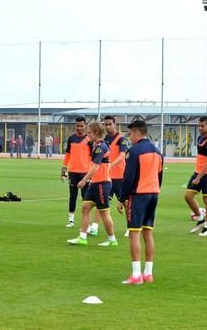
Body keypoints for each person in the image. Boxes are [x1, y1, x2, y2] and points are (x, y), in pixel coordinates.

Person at [117, 120, 163, 285]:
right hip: (153, 194)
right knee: (148, 233)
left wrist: (122, 198)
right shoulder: (157, 152)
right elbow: (159, 176)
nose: (130, 136)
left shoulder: (134, 151)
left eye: (130, 133)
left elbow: (128, 178)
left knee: (134, 232)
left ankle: (136, 275)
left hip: (139, 195)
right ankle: (148, 273)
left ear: (137, 132)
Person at [67, 122, 118, 247]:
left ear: (96, 132)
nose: (87, 135)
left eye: (89, 133)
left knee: (104, 212)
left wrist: (84, 180)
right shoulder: (97, 145)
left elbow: (95, 167)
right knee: (85, 208)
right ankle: (82, 237)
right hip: (95, 183)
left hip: (102, 184)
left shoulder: (100, 147)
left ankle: (112, 240)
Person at [186, 116, 207, 237]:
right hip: (198, 172)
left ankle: (206, 228)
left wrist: (199, 177)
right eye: (199, 125)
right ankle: (200, 219)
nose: (200, 128)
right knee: (188, 196)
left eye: (202, 126)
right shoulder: (200, 138)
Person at [61, 116, 92, 228]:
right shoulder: (71, 138)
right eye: (77, 126)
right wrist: (64, 169)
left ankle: (86, 223)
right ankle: (71, 220)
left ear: (85, 126)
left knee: (86, 198)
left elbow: (93, 158)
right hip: (73, 171)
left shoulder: (89, 140)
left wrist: (92, 174)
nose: (79, 128)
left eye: (81, 126)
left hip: (85, 173)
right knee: (72, 196)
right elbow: (68, 154)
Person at [104, 116, 128, 236]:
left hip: (119, 176)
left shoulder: (121, 139)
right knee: (102, 202)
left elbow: (122, 155)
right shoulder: (105, 138)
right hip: (107, 176)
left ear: (115, 124)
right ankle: (94, 226)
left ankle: (130, 227)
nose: (108, 127)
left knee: (125, 202)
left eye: (110, 124)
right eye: (106, 124)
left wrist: (110, 165)